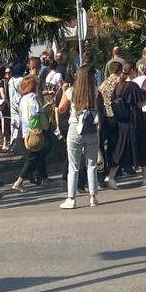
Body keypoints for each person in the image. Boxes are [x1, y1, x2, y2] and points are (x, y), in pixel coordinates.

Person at [57, 64, 102, 209]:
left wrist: (63, 91)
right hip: (91, 128)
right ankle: (93, 196)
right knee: (91, 164)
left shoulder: (71, 91)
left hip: (75, 128)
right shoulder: (94, 90)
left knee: (73, 166)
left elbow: (61, 109)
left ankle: (72, 198)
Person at [13, 76, 49, 191]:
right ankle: (19, 181)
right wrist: (44, 109)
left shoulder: (23, 99)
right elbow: (35, 112)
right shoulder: (33, 97)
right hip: (36, 129)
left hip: (26, 130)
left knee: (39, 153)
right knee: (32, 157)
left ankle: (44, 178)